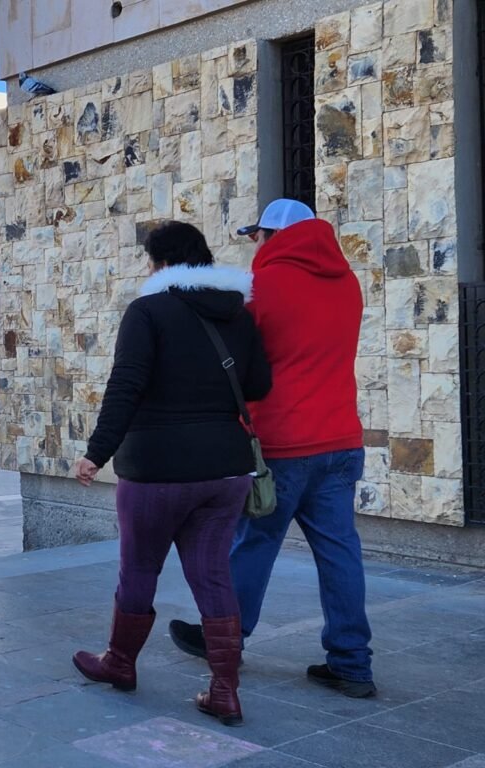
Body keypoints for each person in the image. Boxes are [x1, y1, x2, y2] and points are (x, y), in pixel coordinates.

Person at [170, 199, 377, 698]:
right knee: (340, 551)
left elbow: (236, 354)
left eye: (256, 236)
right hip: (341, 440)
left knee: (254, 542)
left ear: (271, 236)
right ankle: (352, 663)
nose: (253, 245)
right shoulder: (348, 284)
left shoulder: (262, 286)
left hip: (283, 442)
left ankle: (225, 640)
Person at [72, 221, 271, 727]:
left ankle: (120, 663)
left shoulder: (147, 312)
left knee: (140, 569)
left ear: (161, 264)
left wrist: (96, 453)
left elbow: (126, 386)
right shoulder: (238, 314)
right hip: (226, 470)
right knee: (213, 573)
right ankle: (225, 690)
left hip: (156, 469)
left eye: (149, 260)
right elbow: (258, 384)